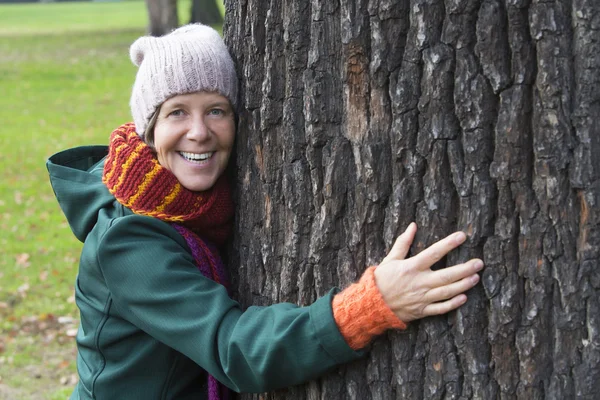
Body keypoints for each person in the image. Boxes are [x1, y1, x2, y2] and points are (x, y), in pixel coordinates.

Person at [47, 24, 483, 400]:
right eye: (177, 112)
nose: (198, 132)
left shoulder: (198, 205)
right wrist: (370, 305)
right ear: (149, 130)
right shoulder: (128, 243)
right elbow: (232, 346)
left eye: (216, 111)